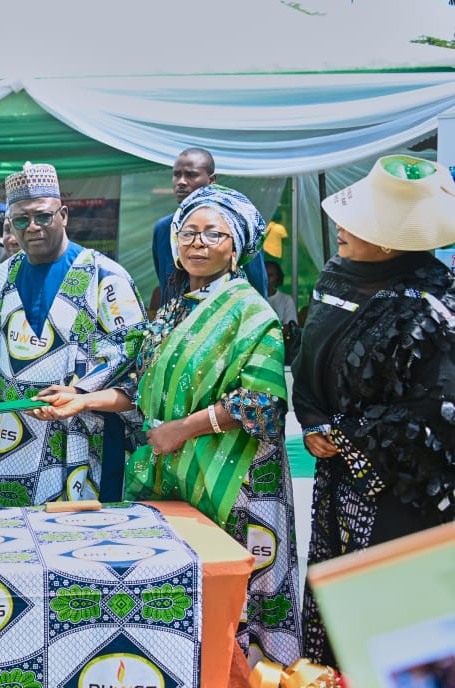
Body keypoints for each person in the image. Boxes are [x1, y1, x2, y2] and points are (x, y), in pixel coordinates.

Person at [32, 184, 302, 667]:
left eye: (213, 234)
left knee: (239, 598)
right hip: (177, 475)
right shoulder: (175, 308)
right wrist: (81, 400)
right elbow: (139, 388)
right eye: (189, 232)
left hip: (238, 482)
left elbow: (262, 403)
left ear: (236, 248)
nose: (198, 243)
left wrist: (183, 428)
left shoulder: (250, 311)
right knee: (186, 595)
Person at [293, 155, 455, 668]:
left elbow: (435, 412)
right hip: (338, 480)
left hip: (403, 493)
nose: (339, 229)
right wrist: (313, 421)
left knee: (392, 621)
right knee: (336, 607)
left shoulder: (436, 305)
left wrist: (348, 433)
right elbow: (307, 359)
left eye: (354, 222)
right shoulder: (335, 278)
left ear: (388, 240)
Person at [0, 162, 147, 507]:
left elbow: (133, 358)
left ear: (63, 215)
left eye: (43, 216)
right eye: (20, 220)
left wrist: (79, 392)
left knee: (75, 534)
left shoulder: (105, 276)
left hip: (80, 438)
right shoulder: (2, 276)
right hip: (11, 441)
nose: (32, 227)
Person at [152, 148, 269, 299]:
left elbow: (257, 287)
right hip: (176, 313)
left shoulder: (238, 227)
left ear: (211, 180)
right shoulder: (164, 228)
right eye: (176, 175)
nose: (181, 182)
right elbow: (165, 284)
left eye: (191, 175)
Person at [265, 261, 298, 326]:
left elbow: (288, 327)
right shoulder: (253, 298)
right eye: (263, 274)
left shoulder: (286, 300)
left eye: (270, 275)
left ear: (277, 278)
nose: (266, 278)